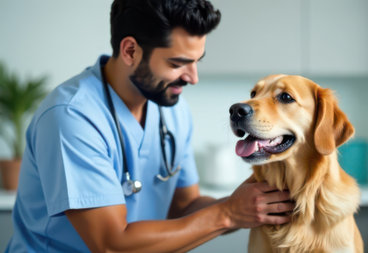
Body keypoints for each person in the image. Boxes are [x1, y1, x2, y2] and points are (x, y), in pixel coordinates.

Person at [6, 0, 295, 252]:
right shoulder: (71, 117)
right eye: (177, 63)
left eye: (196, 62)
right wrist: (229, 213)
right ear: (130, 51)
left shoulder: (173, 110)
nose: (193, 77)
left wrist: (249, 205)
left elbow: (183, 208)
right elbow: (111, 245)